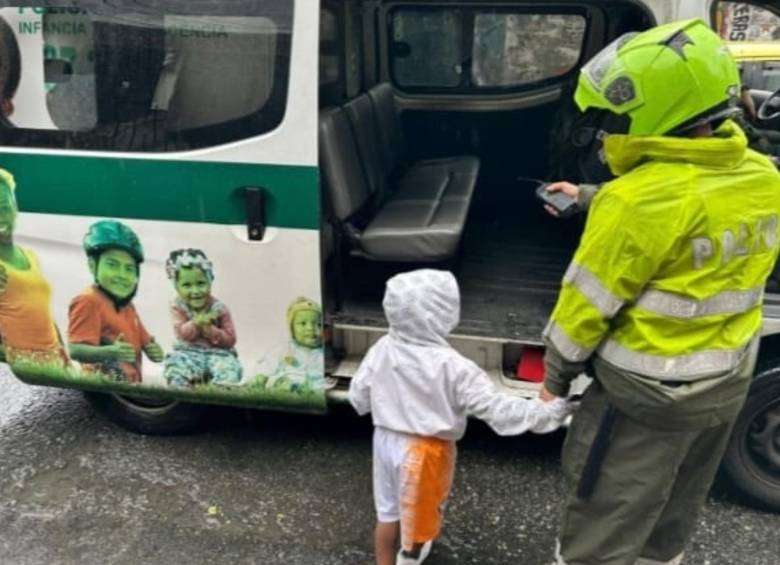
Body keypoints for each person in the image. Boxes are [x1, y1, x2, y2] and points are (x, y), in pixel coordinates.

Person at [539, 19, 780, 565]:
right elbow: (693, 203)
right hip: (724, 385)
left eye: (619, 114)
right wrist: (592, 197)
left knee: (602, 526)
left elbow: (584, 309)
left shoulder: (634, 204)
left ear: (657, 111)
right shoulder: (764, 177)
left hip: (643, 400)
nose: (611, 125)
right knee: (670, 518)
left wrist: (556, 378)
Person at [349, 269, 572, 565]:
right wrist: (550, 412)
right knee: (420, 513)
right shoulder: (455, 367)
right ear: (443, 314)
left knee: (387, 513)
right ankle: (411, 555)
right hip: (427, 451)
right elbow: (496, 409)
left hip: (385, 440)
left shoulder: (383, 347)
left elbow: (358, 394)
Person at [68, 220, 164, 382]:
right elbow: (75, 350)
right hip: (103, 384)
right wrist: (111, 352)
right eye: (112, 265)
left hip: (129, 384)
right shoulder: (87, 301)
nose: (122, 275)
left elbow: (144, 339)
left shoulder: (127, 305)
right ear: (92, 265)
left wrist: (152, 348)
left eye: (129, 269)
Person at [0, 168, 69, 368]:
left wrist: (64, 356)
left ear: (15, 208)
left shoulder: (29, 255)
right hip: (27, 361)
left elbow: (42, 310)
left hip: (55, 360)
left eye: (4, 207)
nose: (1, 217)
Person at [163, 248, 242, 387]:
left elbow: (230, 340)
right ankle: (181, 389)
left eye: (200, 283)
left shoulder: (220, 309)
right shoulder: (178, 306)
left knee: (229, 368)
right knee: (176, 364)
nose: (195, 291)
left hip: (218, 355)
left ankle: (221, 391)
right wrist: (195, 323)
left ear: (210, 280)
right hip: (189, 352)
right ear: (177, 287)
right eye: (187, 285)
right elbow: (181, 334)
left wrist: (210, 330)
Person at [251, 297, 326, 393]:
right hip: (284, 386)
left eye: (318, 324)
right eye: (303, 323)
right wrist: (259, 376)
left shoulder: (322, 355)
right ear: (292, 328)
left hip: (311, 390)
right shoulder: (284, 350)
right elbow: (266, 366)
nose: (310, 328)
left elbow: (323, 379)